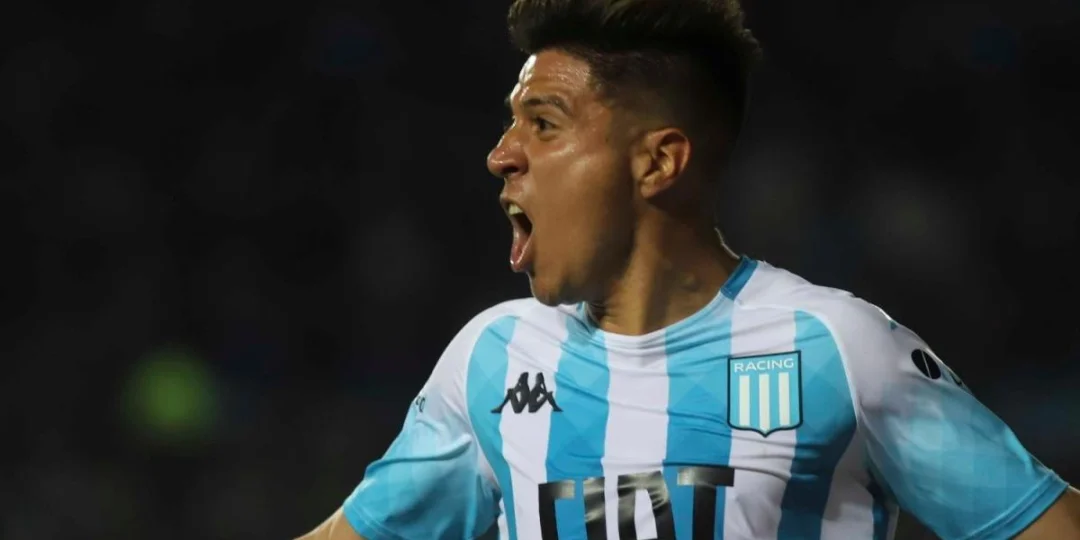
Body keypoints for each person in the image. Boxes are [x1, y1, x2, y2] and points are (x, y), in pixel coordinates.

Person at [298, 0, 1080, 538]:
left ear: (658, 162)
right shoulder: (492, 360)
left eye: (543, 123)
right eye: (511, 124)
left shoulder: (836, 348)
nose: (502, 154)